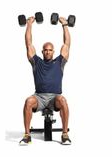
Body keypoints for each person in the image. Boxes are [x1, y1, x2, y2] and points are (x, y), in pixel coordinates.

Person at [19, 16, 72, 145]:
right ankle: (27, 135)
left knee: (63, 100)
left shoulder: (60, 61)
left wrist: (64, 25)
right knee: (28, 101)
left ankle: (65, 134)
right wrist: (29, 24)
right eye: (45, 50)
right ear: (42, 51)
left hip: (55, 98)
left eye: (50, 50)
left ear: (53, 51)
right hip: (39, 97)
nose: (48, 52)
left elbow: (67, 44)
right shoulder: (36, 62)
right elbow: (28, 44)